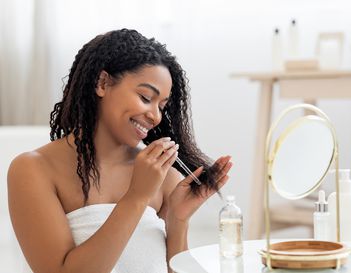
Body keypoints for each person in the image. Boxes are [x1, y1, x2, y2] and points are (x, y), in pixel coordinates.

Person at [7, 29, 232, 273]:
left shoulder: (164, 175)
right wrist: (136, 197)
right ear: (102, 83)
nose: (155, 116)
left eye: (162, 106)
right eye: (146, 97)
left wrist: (178, 221)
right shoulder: (33, 169)